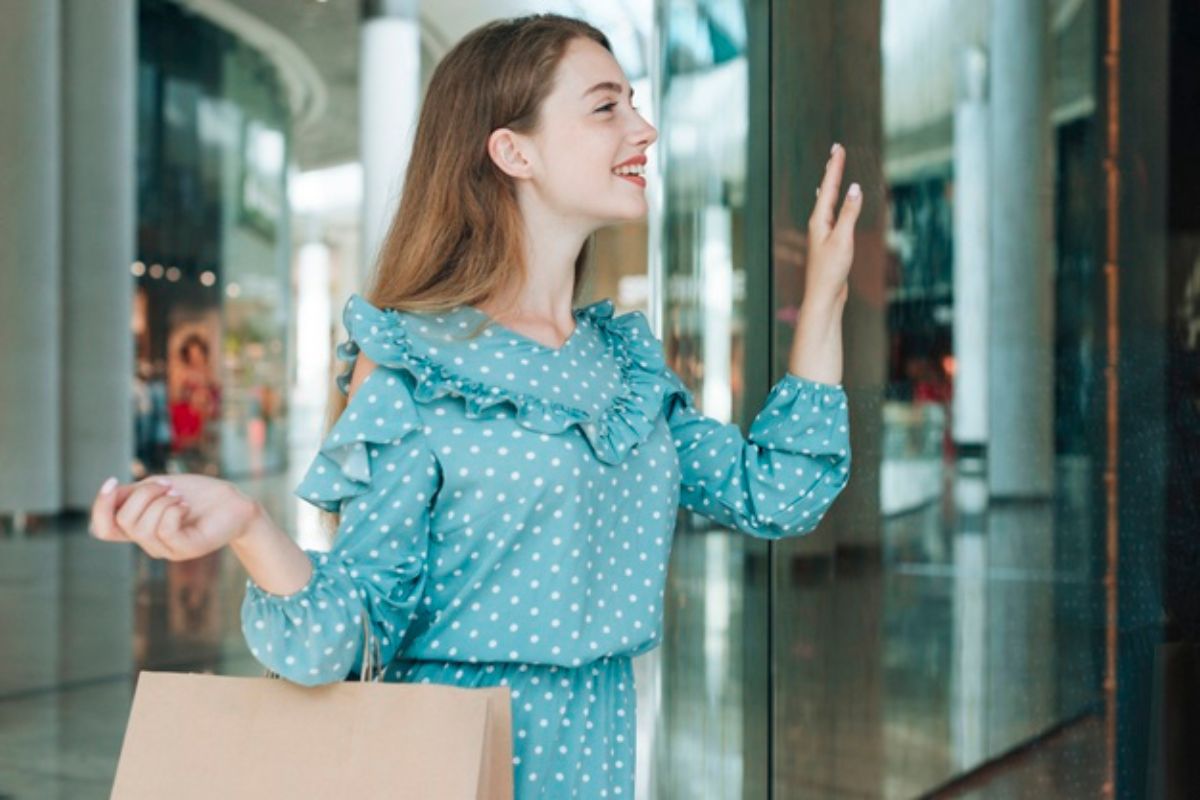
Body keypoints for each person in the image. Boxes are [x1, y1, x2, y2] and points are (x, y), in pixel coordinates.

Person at [89, 13, 860, 796]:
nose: (645, 128)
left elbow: (779, 492)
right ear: (511, 149)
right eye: (607, 107)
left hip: (595, 756)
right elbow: (348, 636)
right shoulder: (417, 362)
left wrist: (827, 293)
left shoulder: (622, 368)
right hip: (449, 757)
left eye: (634, 102)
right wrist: (250, 526)